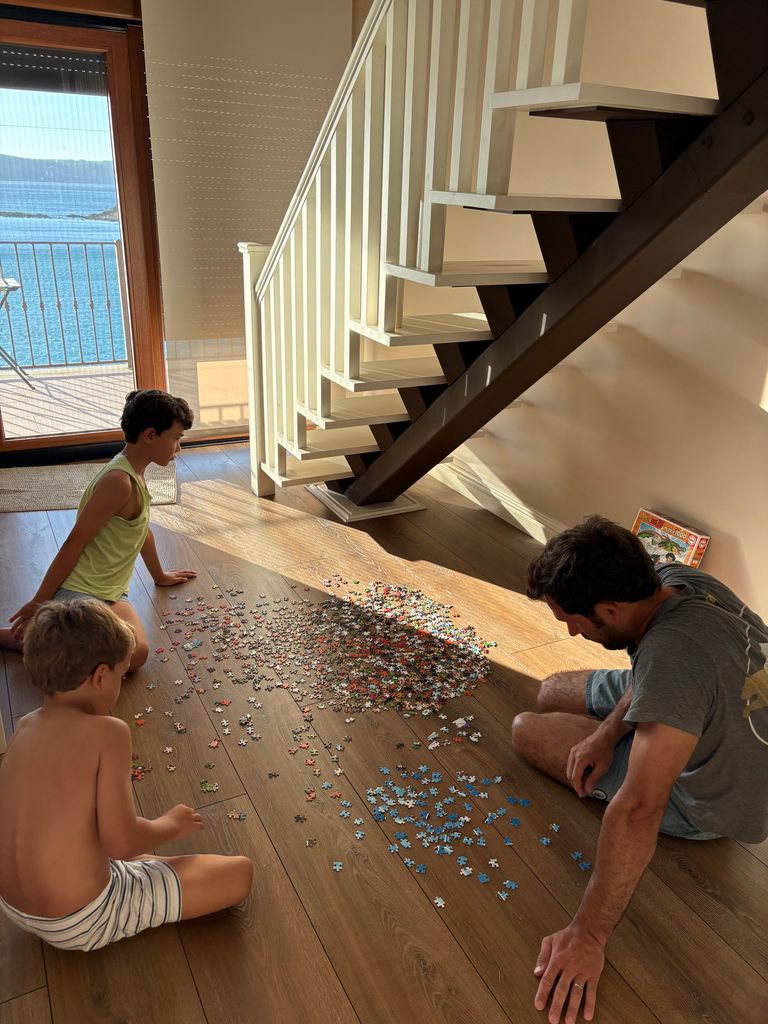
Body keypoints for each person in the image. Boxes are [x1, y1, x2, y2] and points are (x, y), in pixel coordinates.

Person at [513, 516, 768, 1024]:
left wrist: (586, 936)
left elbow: (639, 809)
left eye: (574, 620)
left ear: (609, 610)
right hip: (708, 696)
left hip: (719, 799)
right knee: (549, 690)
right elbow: (661, 670)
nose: (568, 630)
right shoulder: (678, 583)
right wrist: (607, 734)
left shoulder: (671, 661)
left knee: (526, 728)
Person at [0, 600, 253, 950]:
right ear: (101, 677)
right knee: (239, 874)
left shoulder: (23, 727)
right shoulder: (109, 732)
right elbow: (120, 845)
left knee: (132, 855)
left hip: (12, 906)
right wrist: (171, 824)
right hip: (80, 919)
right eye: (121, 675)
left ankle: (141, 870)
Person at [0, 389, 198, 671]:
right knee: (128, 654)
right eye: (176, 438)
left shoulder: (137, 472)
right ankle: (34, 635)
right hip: (80, 593)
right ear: (150, 435)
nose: (179, 448)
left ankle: (44, 635)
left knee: (136, 652)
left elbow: (141, 530)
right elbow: (73, 543)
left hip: (112, 593)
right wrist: (37, 601)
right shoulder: (119, 481)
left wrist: (160, 575)